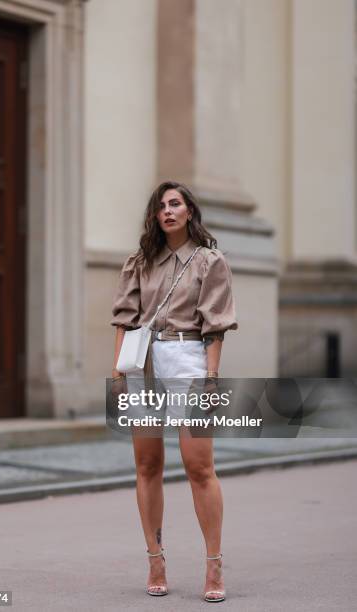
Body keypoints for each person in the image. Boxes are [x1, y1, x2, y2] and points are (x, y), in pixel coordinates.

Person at [110, 181, 238, 602]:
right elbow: (125, 321)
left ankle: (214, 564)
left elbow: (215, 326)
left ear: (188, 211)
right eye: (161, 205)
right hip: (143, 366)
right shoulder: (139, 263)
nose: (167, 210)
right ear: (155, 215)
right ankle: (155, 558)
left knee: (199, 467)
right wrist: (118, 375)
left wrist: (212, 377)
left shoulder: (209, 261)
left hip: (188, 363)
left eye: (175, 203)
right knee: (147, 466)